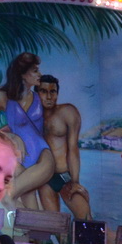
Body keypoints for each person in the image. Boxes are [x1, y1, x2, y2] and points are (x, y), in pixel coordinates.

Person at [0, 52, 58, 212]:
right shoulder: (3, 97)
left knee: (9, 196)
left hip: (43, 158)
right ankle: (34, 237)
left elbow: (30, 127)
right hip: (19, 161)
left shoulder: (39, 97)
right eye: (35, 70)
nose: (40, 74)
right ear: (23, 74)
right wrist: (10, 136)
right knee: (31, 212)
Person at [37, 75, 91, 219]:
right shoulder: (33, 117)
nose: (49, 96)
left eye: (52, 92)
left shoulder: (68, 112)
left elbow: (73, 148)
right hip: (44, 178)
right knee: (54, 225)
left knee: (87, 221)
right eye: (43, 91)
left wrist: (75, 182)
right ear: (37, 93)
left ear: (57, 93)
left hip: (65, 177)